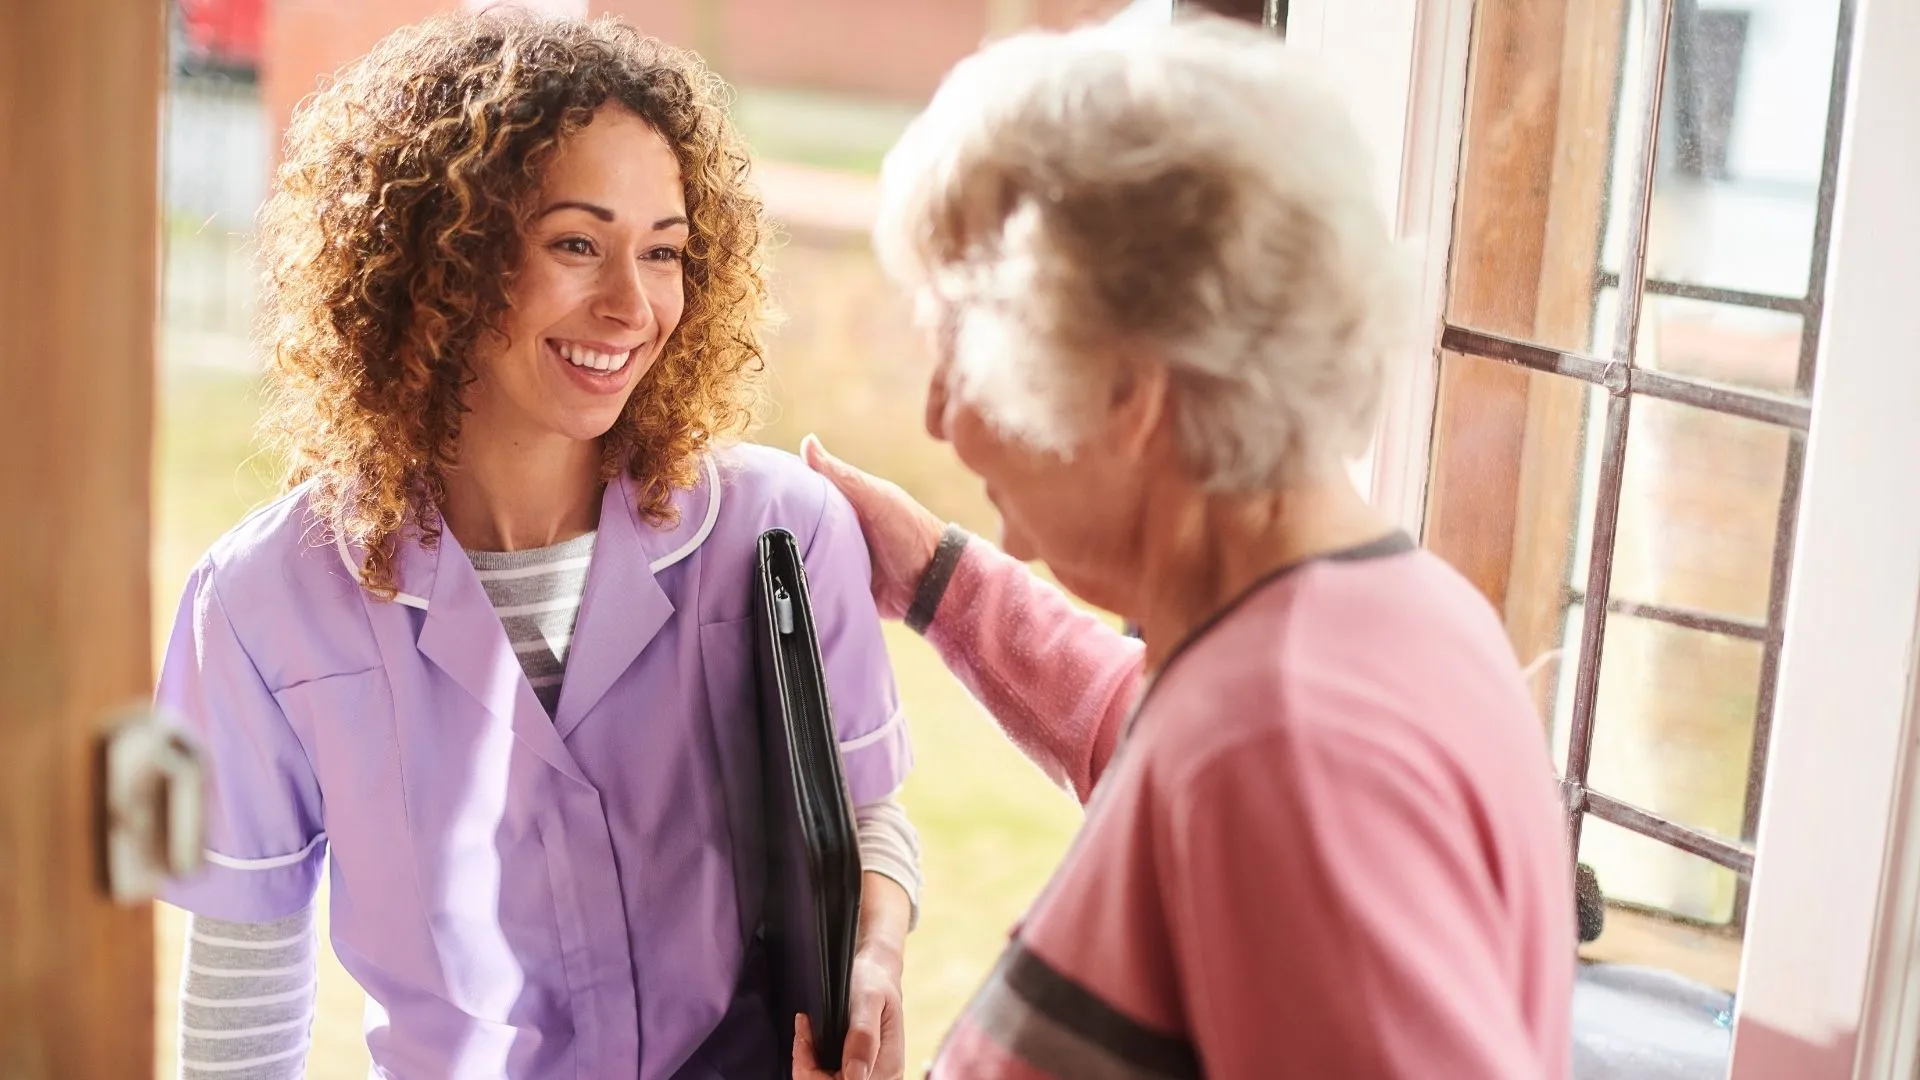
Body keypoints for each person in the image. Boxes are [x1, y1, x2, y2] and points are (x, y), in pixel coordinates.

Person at [791, 15, 1574, 1079]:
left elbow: (1250, 770)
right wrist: (938, 578)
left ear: (1124, 389)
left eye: (956, 345)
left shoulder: (1283, 753)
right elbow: (1160, 735)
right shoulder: (1378, 618)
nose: (937, 418)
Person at [157, 13, 918, 1080]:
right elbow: (245, 977)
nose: (632, 304)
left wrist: (874, 956)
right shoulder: (263, 602)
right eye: (576, 242)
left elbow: (861, 819)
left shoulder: (778, 536)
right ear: (442, 256)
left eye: (664, 252)